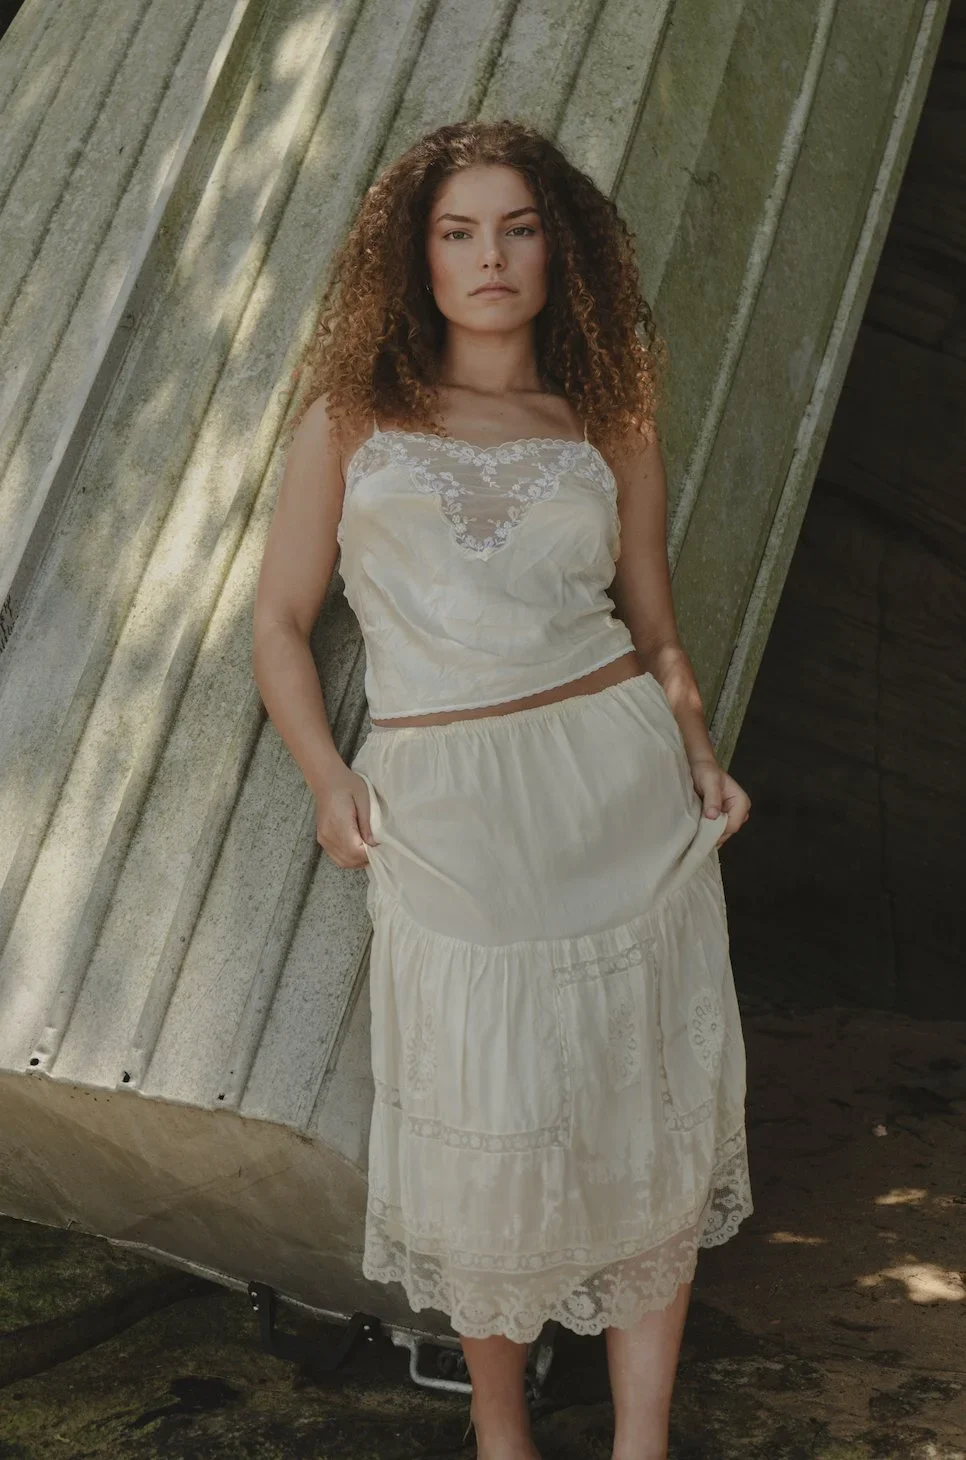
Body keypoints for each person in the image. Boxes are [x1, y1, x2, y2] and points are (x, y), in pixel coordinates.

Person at [253, 118, 753, 1460]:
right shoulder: (351, 419)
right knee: (492, 1121)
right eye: (458, 232)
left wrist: (698, 752)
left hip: (614, 785)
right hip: (445, 807)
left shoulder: (608, 423)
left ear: (557, 251)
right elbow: (278, 625)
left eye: (518, 229)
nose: (490, 257)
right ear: (416, 259)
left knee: (638, 1109)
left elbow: (655, 633)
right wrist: (326, 779)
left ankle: (642, 1441)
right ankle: (499, 1430)